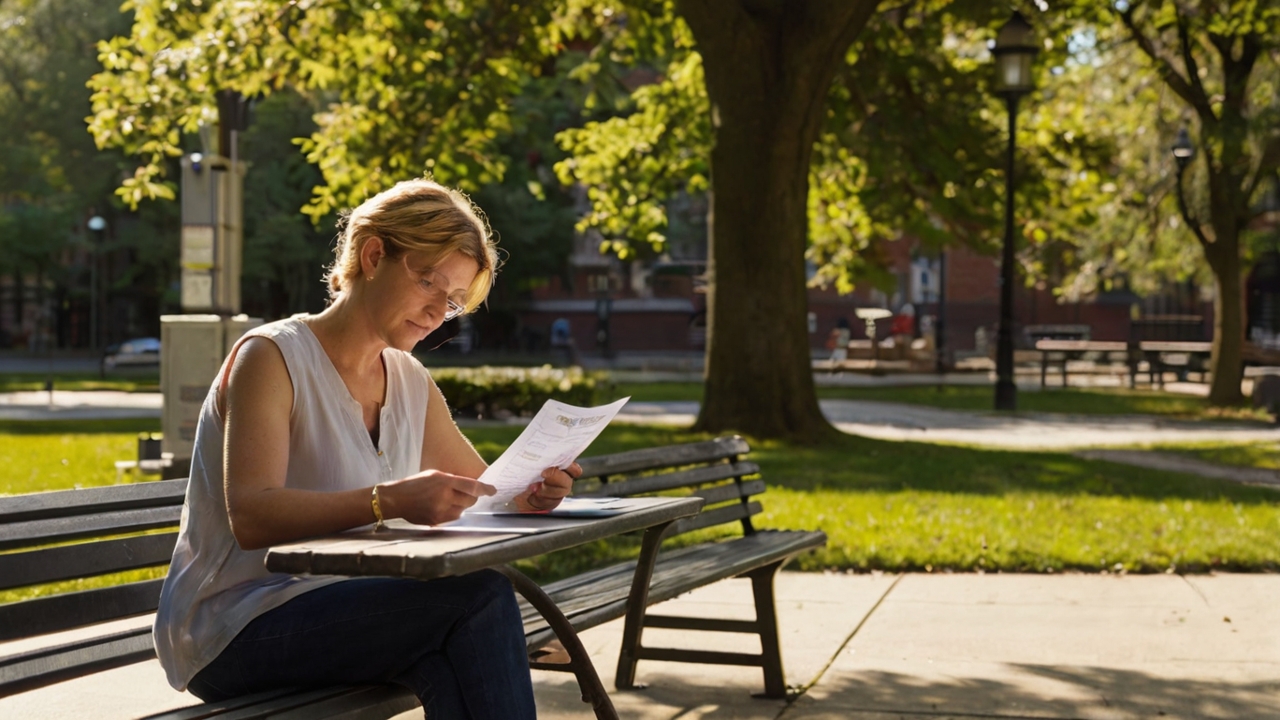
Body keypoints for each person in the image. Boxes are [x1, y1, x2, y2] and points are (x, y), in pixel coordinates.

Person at [153, 179, 577, 719]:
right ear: (374, 254)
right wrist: (390, 500)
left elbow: (487, 492)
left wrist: (536, 492)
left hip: (352, 609)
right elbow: (253, 516)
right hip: (234, 626)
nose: (435, 313)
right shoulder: (272, 357)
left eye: (450, 304)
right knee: (478, 599)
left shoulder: (408, 379)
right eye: (430, 284)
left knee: (457, 644)